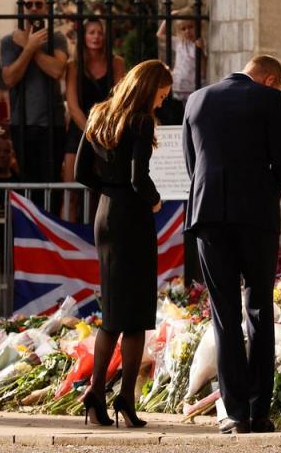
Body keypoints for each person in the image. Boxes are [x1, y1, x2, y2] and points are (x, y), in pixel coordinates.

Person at [182, 55, 281, 435]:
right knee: (260, 308)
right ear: (270, 79)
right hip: (256, 217)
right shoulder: (269, 99)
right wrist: (264, 195)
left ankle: (235, 412)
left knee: (224, 312)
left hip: (208, 214)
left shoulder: (197, 99)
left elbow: (192, 163)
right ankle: (259, 409)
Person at [74, 60, 172, 428]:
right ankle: (126, 399)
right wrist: (154, 200)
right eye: (161, 95)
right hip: (132, 218)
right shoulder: (141, 121)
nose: (161, 103)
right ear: (149, 89)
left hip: (105, 214)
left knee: (114, 310)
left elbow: (81, 173)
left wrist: (110, 193)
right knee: (137, 315)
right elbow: (138, 176)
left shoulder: (99, 114)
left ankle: (96, 393)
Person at [0, 0, 68, 185]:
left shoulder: (57, 38)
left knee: (51, 182)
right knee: (27, 182)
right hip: (22, 121)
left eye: (38, 4)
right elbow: (9, 79)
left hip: (52, 122)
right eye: (28, 4)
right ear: (22, 8)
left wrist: (30, 47)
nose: (33, 8)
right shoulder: (9, 41)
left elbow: (57, 71)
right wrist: (29, 48)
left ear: (46, 9)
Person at [63, 20, 126, 218]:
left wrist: (102, 132)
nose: (96, 37)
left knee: (101, 192)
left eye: (100, 32)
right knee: (70, 191)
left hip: (107, 130)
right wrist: (90, 131)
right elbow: (72, 105)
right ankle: (67, 241)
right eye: (91, 32)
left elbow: (119, 99)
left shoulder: (116, 62)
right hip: (79, 129)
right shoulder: (73, 65)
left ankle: (97, 239)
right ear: (83, 36)